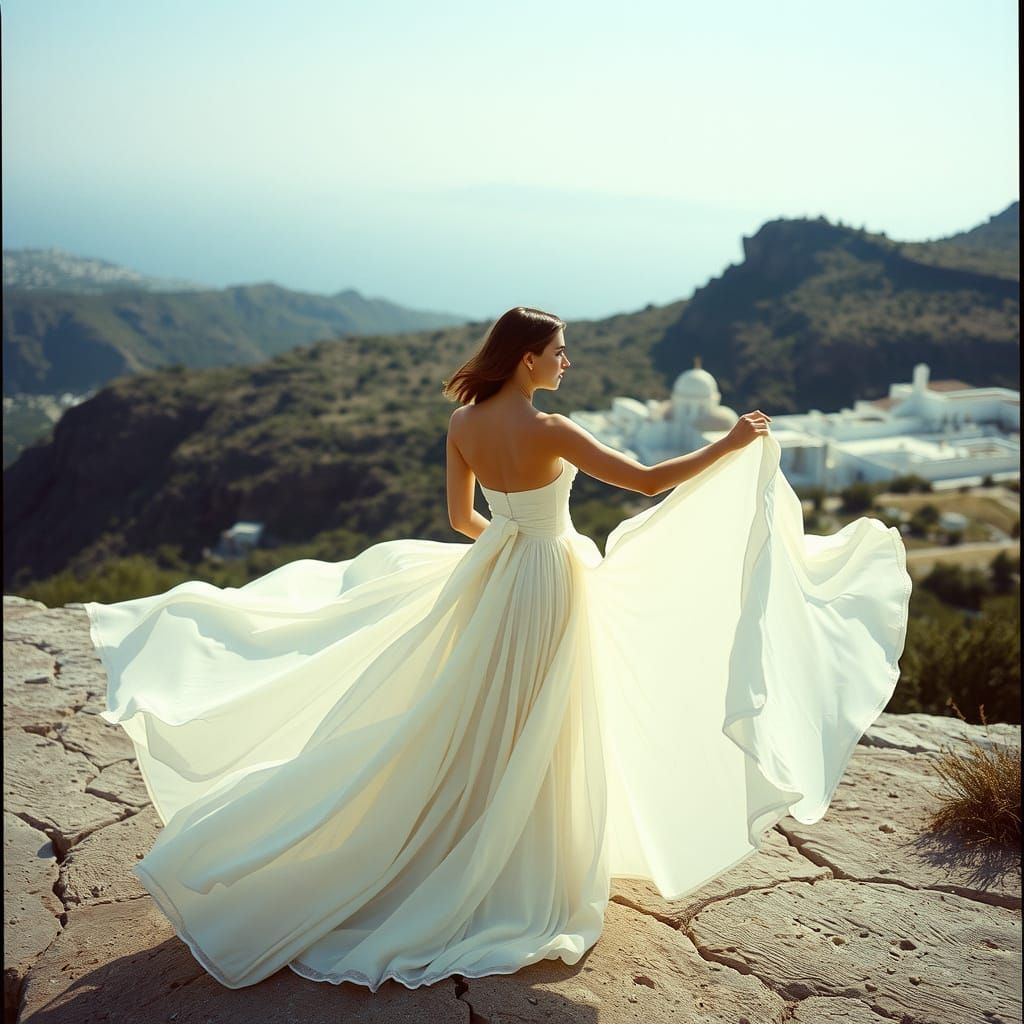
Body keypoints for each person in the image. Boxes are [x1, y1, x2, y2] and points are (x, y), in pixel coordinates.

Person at [85, 306, 912, 992]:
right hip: (550, 581)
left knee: (473, 713)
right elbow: (651, 482)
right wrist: (731, 444)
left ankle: (452, 837)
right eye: (558, 352)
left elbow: (458, 519)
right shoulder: (551, 430)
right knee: (538, 721)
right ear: (525, 359)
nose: (567, 362)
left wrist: (509, 545)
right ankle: (507, 861)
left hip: (500, 575)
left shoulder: (462, 422)